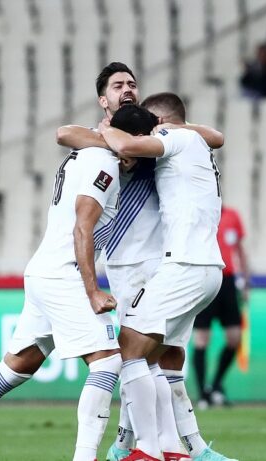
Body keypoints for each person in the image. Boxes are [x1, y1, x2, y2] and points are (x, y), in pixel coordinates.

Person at [0, 103, 158, 461]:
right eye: (145, 142)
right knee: (107, 362)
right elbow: (83, 227)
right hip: (65, 274)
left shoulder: (85, 154)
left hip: (44, 270)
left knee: (19, 364)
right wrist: (92, 290)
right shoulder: (104, 163)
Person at [58, 65, 235, 461]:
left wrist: (136, 131)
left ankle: (148, 447)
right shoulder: (110, 140)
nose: (127, 88)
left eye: (132, 84)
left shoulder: (157, 136)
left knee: (145, 353)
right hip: (133, 261)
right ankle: (166, 446)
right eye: (118, 85)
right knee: (148, 355)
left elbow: (214, 135)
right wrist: (107, 134)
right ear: (103, 98)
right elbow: (65, 133)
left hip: (172, 261)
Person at [97, 92, 229, 461]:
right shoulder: (194, 141)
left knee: (129, 347)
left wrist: (106, 128)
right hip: (204, 267)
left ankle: (145, 449)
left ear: (160, 123)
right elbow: (216, 136)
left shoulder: (176, 138)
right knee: (157, 356)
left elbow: (126, 144)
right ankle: (182, 449)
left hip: (185, 265)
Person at [193, 205, 250, 410]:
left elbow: (240, 250)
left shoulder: (232, 216)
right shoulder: (198, 214)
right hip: (205, 277)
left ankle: (216, 385)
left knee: (234, 337)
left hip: (227, 281)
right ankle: (202, 393)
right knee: (202, 338)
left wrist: (246, 282)